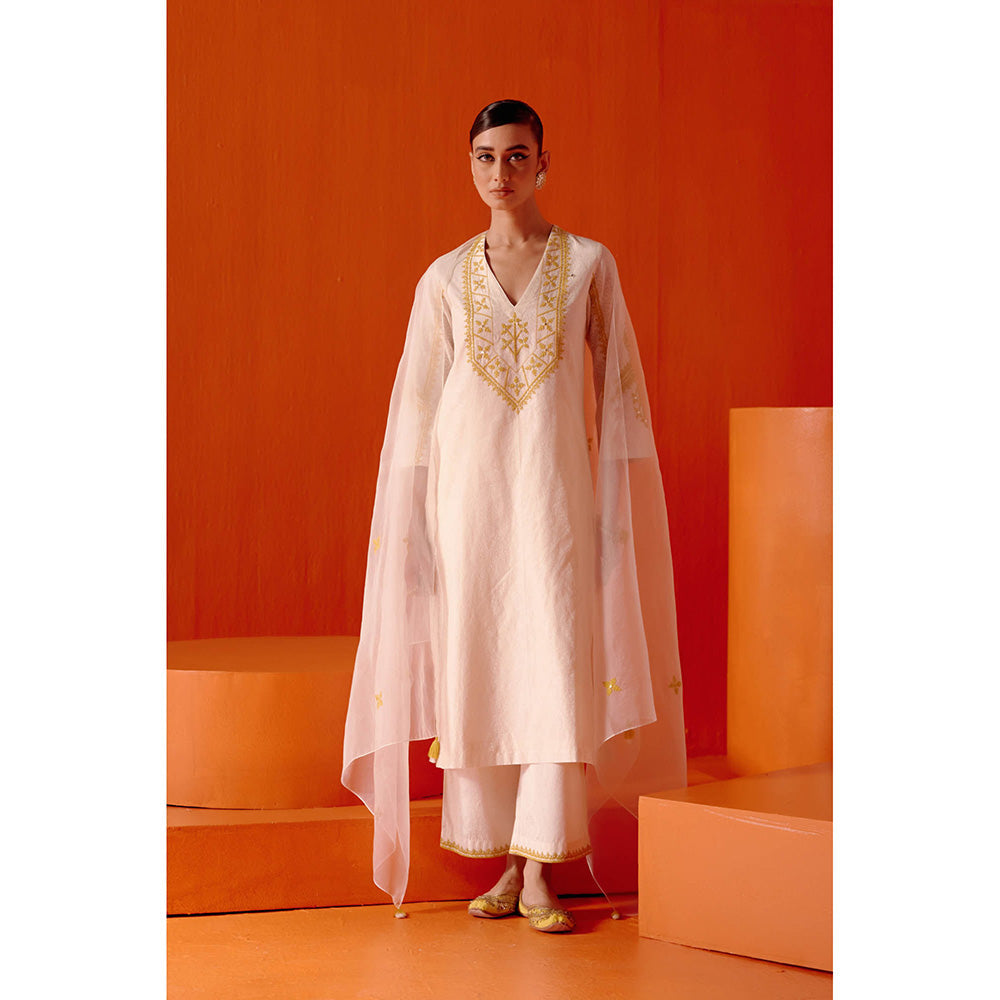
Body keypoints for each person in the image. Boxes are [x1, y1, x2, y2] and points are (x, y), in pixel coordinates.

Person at [342, 99, 686, 934]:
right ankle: (501, 858)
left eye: (517, 156)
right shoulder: (442, 279)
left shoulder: (590, 265)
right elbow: (416, 413)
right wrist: (413, 526)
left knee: (553, 666)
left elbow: (622, 395)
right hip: (467, 508)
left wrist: (615, 512)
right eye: (486, 157)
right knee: (480, 668)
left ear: (543, 163)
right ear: (471, 164)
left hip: (554, 504)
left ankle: (540, 869)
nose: (500, 173)